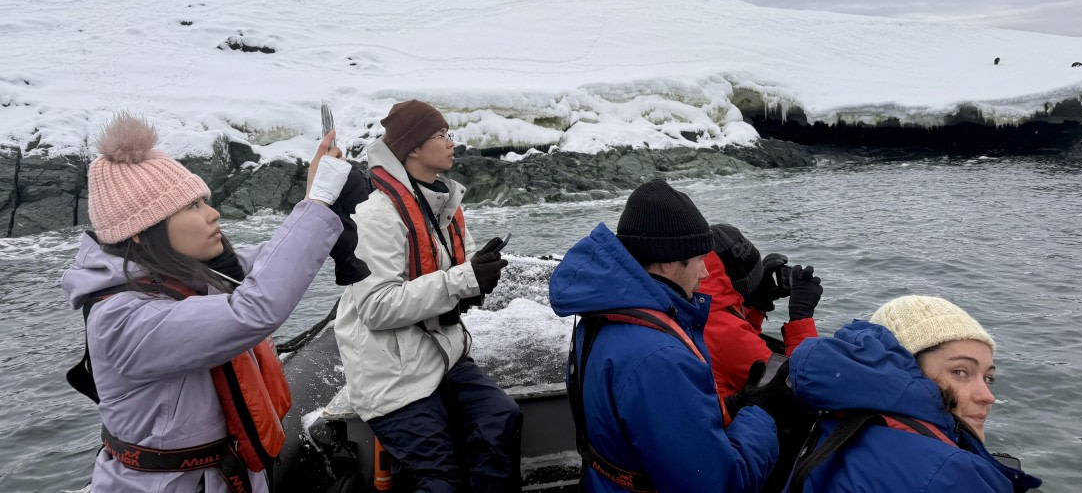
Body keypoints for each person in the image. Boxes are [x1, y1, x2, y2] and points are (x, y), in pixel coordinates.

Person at [61, 114, 349, 493]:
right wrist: (315, 207)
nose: (213, 214)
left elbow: (264, 263)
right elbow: (251, 310)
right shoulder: (121, 320)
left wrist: (315, 203)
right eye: (193, 206)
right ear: (142, 231)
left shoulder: (180, 276)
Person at [333, 99, 521, 492]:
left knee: (500, 420)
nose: (451, 142)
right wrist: (464, 280)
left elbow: (457, 268)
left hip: (442, 353)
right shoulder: (377, 213)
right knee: (439, 480)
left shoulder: (442, 201)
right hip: (393, 371)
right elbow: (376, 306)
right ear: (413, 148)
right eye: (441, 135)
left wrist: (478, 268)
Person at [549, 179, 781, 493]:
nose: (705, 273)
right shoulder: (658, 357)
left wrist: (735, 403)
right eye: (699, 260)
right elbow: (718, 485)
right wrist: (764, 413)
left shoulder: (599, 315)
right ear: (668, 261)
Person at [786, 295, 1042, 492]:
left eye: (988, 378)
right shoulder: (950, 473)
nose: (987, 396)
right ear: (905, 370)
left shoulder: (836, 425)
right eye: (960, 372)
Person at [700, 223, 822, 401]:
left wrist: (755, 305)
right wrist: (801, 317)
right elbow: (800, 388)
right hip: (732, 425)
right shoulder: (724, 333)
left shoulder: (702, 305)